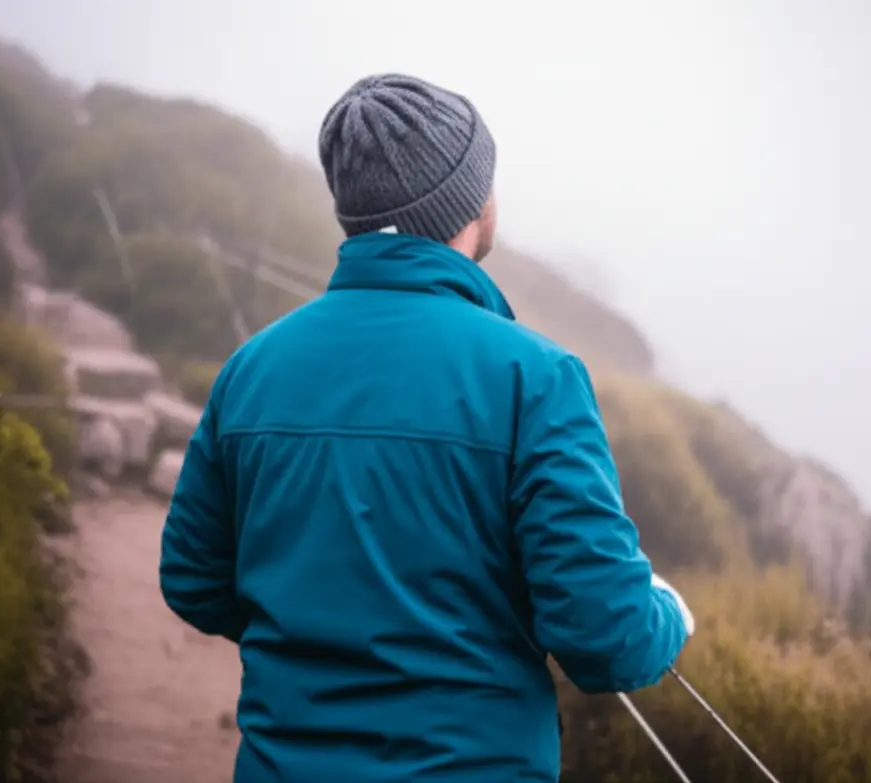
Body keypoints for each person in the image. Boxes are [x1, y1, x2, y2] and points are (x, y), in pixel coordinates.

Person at [159, 73, 696, 783]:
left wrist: (313, 635)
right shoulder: (534, 377)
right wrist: (667, 614)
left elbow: (194, 579)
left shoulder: (250, 369)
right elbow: (607, 637)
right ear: (470, 202)